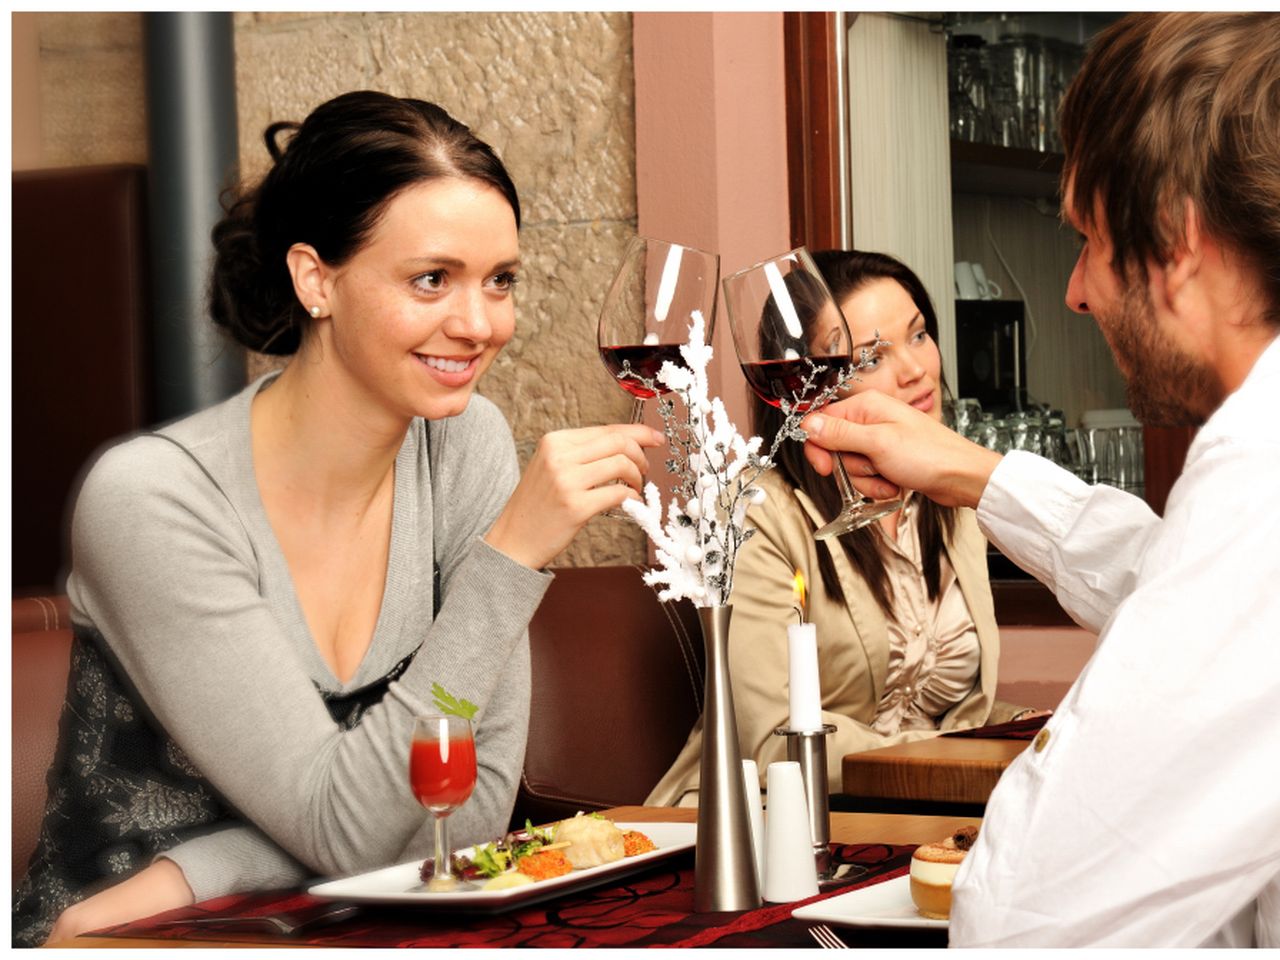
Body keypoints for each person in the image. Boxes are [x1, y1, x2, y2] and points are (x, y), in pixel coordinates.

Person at [12, 91, 663, 947]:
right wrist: (509, 558)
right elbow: (362, 835)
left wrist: (200, 865)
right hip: (137, 939)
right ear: (315, 278)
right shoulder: (153, 500)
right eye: (432, 278)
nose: (479, 325)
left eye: (499, 280)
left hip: (343, 925)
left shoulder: (464, 447)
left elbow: (466, 830)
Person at [799, 13, 1280, 947]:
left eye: (1089, 240)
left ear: (1176, 244)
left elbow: (1035, 913)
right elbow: (1179, 582)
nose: (1075, 291)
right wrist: (971, 472)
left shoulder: (1259, 476)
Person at [647, 249, 1034, 808]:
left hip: (915, 815)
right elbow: (771, 735)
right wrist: (949, 759)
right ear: (814, 386)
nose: (916, 370)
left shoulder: (953, 504)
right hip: (764, 821)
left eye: (919, 335)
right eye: (873, 356)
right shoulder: (752, 512)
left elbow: (948, 717)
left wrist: (1027, 729)